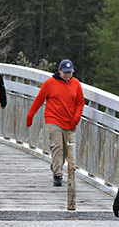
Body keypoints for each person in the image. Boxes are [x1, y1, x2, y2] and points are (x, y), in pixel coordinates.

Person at [26, 59, 85, 187]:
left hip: (70, 121)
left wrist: (76, 118)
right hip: (53, 119)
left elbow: (80, 102)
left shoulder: (76, 84)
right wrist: (30, 115)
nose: (68, 75)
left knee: (65, 150)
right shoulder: (49, 83)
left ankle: (56, 164)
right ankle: (58, 175)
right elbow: (39, 100)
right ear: (59, 71)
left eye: (70, 73)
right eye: (65, 73)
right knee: (56, 146)